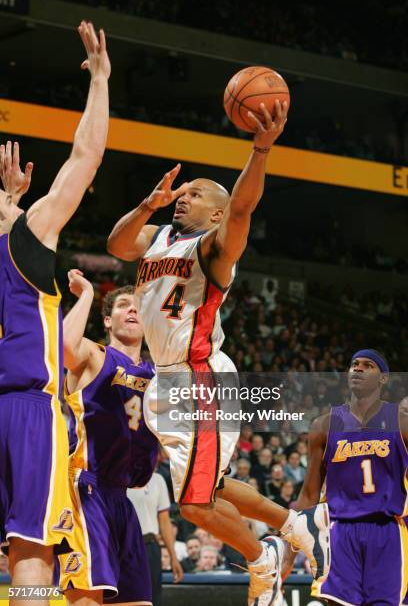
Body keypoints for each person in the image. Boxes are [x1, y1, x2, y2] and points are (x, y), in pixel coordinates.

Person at [107, 100, 330, 605]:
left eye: (194, 194)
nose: (183, 199)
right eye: (181, 194)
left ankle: (263, 557)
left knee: (194, 505)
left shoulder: (213, 247)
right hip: (163, 381)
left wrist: (261, 149)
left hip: (199, 377)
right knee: (214, 486)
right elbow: (118, 245)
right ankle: (294, 524)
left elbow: (245, 206)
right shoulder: (158, 236)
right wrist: (149, 204)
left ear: (216, 212)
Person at [0, 21, 109, 604]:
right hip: (28, 411)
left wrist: (8, 205)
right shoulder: (28, 238)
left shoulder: (15, 232)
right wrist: (101, 81)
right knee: (32, 553)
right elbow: (86, 155)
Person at [57, 270, 159, 605]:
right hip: (86, 491)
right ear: (106, 320)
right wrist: (85, 293)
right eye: (124, 305)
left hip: (123, 500)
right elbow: (64, 347)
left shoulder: (157, 376)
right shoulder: (95, 355)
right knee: (88, 598)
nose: (133, 310)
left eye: (140, 307)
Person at [293, 349, 408, 605]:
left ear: (384, 378)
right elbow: (310, 492)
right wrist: (290, 547)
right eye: (354, 364)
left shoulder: (400, 421)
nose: (358, 368)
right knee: (333, 601)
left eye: (368, 365)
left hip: (387, 528)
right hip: (338, 529)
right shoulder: (323, 425)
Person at [127, 472, 183, 606]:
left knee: (151, 598)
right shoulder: (115, 476)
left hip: (149, 545)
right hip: (122, 547)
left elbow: (164, 522)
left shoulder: (157, 479)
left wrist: (173, 557)